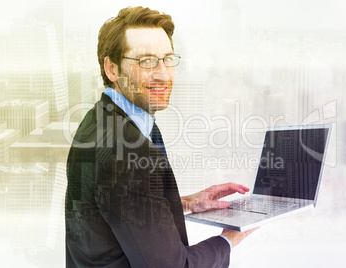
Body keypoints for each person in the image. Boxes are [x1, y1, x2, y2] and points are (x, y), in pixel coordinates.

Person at [65, 6, 256, 267]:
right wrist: (228, 239)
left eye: (167, 59)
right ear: (112, 69)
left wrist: (187, 203)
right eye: (146, 61)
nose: (163, 74)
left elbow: (116, 210)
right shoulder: (129, 153)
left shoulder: (98, 119)